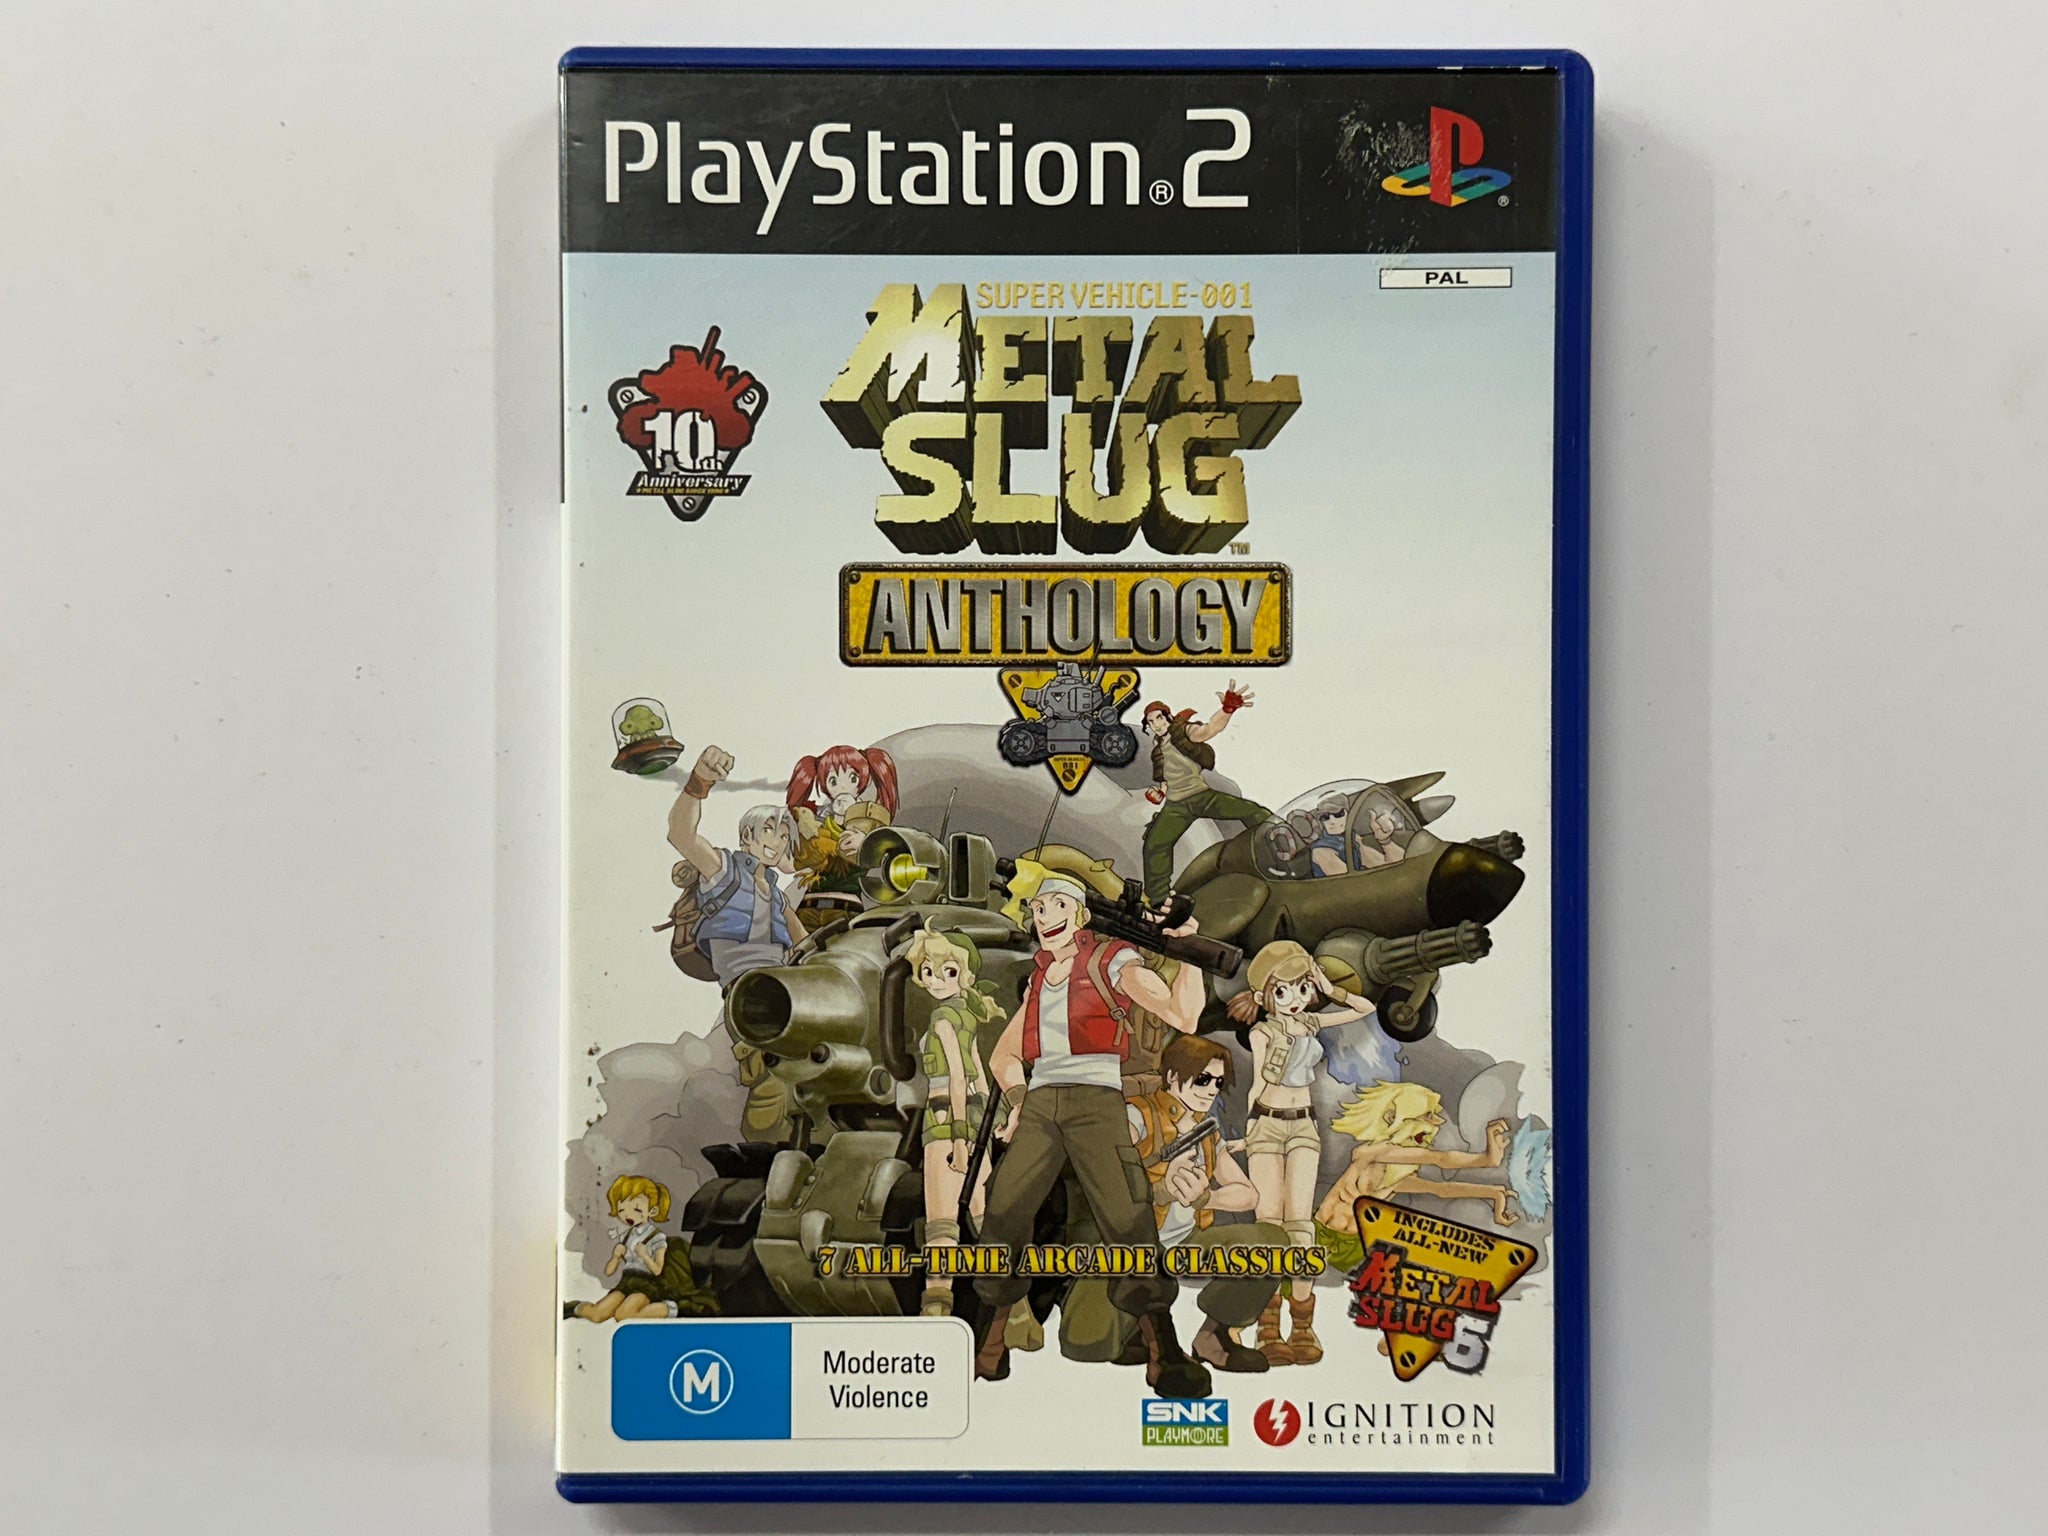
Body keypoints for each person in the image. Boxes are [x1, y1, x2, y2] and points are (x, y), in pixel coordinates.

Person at [973, 847, 1211, 1396]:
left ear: (1079, 914)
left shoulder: (1111, 963)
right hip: (1043, 1104)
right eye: (1038, 908)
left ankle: (1164, 1351)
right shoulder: (1039, 981)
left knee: (1127, 1217)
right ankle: (990, 1343)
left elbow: (1183, 1015)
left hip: (1097, 1100)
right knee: (1004, 1207)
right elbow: (1004, 1056)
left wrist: (1188, 953)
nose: (1045, 916)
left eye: (1057, 904)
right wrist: (1019, 1100)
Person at [1062, 1034, 1288, 1374]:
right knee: (1087, 1344)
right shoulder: (1137, 1115)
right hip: (1128, 1250)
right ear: (1172, 1076)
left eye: (1218, 1083)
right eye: (1203, 1079)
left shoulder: (1205, 1131)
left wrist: (1207, 1198)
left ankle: (1213, 1337)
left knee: (1270, 1242)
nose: (1211, 1090)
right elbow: (1104, 1178)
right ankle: (1138, 1328)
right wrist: (1160, 1189)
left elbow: (1247, 1194)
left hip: (1184, 1245)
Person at [1225, 940, 1376, 1365]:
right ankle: (1267, 1322)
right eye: (1282, 990)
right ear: (1264, 996)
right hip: (1267, 1124)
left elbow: (1365, 1008)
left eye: (1302, 987)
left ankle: (1303, 1323)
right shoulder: (1262, 1032)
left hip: (1304, 1125)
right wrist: (1250, 1132)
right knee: (1269, 1224)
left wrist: (1330, 988)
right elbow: (1257, 1083)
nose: (1294, 998)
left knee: (1300, 1225)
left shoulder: (1311, 1022)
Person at [667, 744, 810, 1140]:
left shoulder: (777, 894)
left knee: (797, 1070)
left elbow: (807, 945)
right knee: (768, 1074)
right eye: (769, 830)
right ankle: (764, 1145)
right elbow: (681, 834)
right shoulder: (724, 869)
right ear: (748, 836)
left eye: (784, 834)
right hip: (747, 993)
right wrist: (699, 782)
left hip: (784, 990)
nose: (778, 839)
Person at [1314, 1083, 1517, 1275]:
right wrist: (1486, 1159)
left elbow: (1440, 1189)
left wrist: (1493, 1194)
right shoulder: (1370, 1153)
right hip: (1319, 1233)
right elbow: (1441, 1159)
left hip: (1353, 1245)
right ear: (1392, 1118)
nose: (1436, 1124)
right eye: (1427, 1116)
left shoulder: (1397, 1178)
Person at [905, 922, 1000, 1317]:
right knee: (985, 1219)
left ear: (966, 976)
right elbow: (979, 1072)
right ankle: (1015, 1311)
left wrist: (960, 1140)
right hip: (974, 1117)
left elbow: (960, 1076)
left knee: (942, 1225)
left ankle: (936, 1309)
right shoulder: (967, 1014)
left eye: (947, 970)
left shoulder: (944, 1017)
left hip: (947, 1120)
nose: (935, 979)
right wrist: (992, 1122)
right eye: (928, 970)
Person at [1138, 684, 1272, 905]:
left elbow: (1209, 730)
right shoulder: (1158, 751)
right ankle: (1159, 900)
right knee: (1154, 844)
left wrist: (1227, 709)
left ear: (1168, 717)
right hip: (1176, 806)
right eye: (1151, 722)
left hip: (1201, 796)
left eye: (1159, 718)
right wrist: (1159, 793)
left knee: (1254, 811)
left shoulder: (1184, 732)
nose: (1156, 724)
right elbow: (1165, 781)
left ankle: (1279, 842)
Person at [565, 1175, 718, 1323]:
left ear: (653, 1211)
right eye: (622, 1210)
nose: (628, 1215)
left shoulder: (656, 1237)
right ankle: (572, 1308)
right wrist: (615, 1257)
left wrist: (644, 1256)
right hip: (626, 1282)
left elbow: (657, 1270)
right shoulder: (627, 1236)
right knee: (597, 1314)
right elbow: (609, 1271)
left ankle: (672, 1308)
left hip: (647, 1285)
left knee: (623, 1316)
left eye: (636, 1209)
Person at [787, 745, 898, 895]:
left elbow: (886, 856)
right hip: (813, 896)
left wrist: (866, 843)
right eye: (833, 781)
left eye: (852, 778)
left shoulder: (871, 816)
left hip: (848, 899)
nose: (843, 786)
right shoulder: (816, 818)